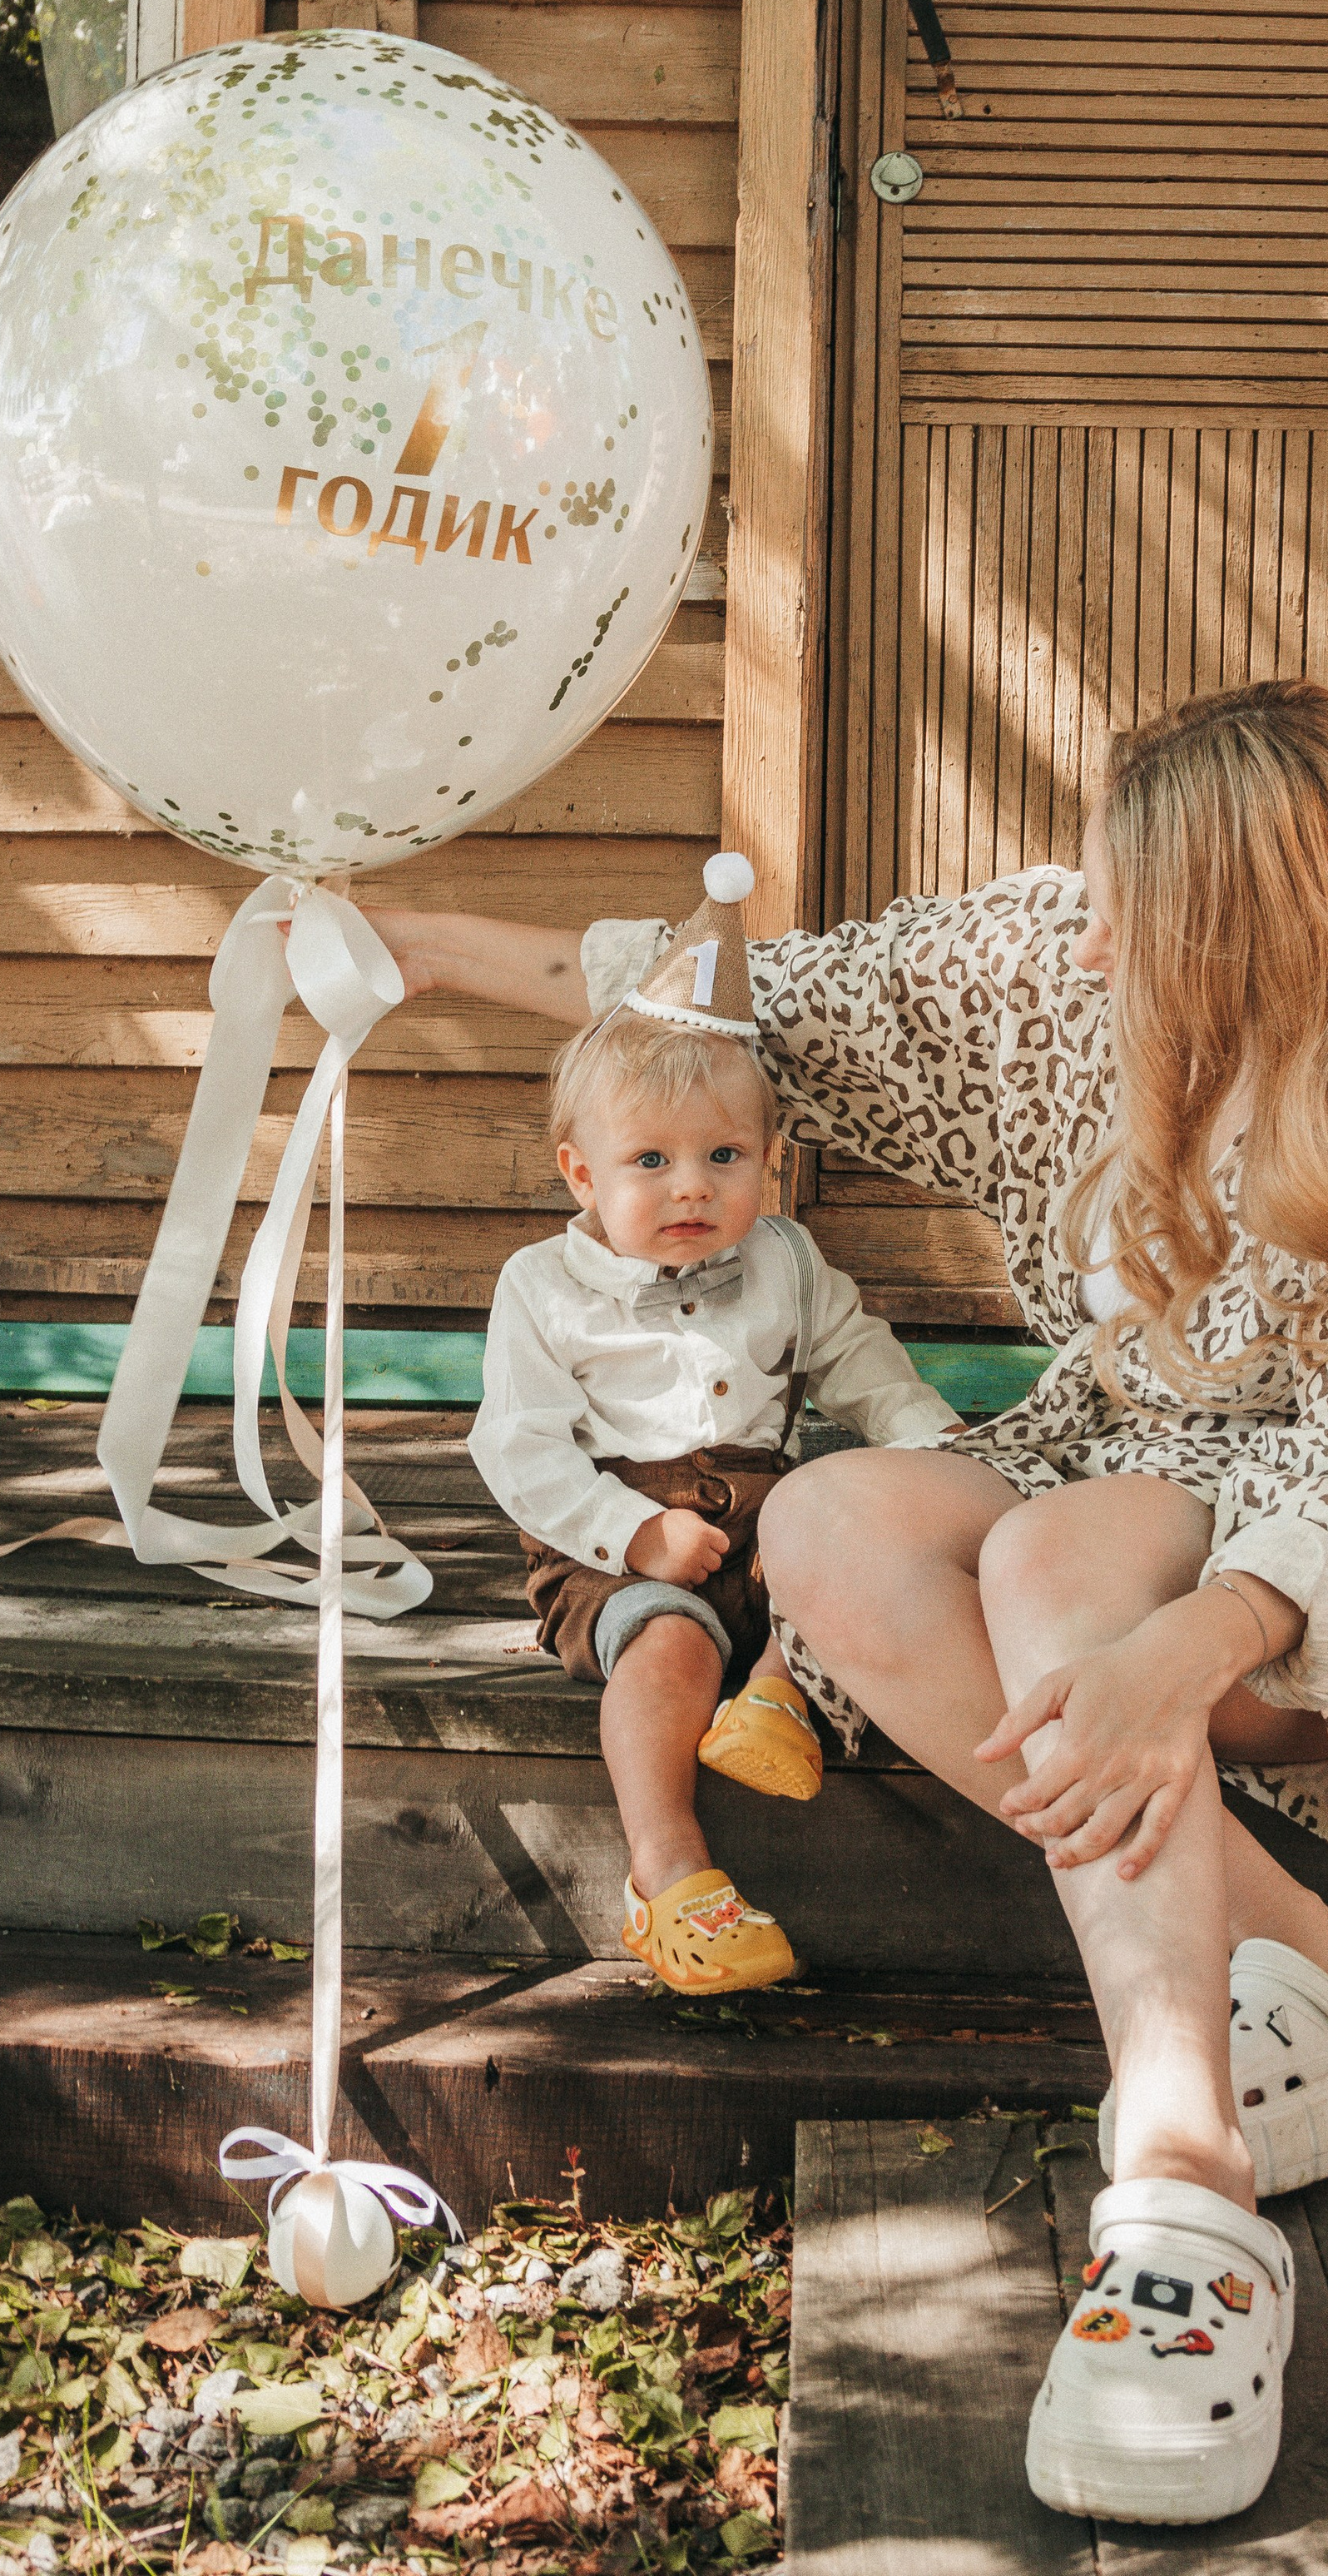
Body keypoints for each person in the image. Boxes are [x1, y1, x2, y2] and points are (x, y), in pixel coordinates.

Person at [372, 684, 1328, 2529]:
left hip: (1314, 1585)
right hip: (1102, 1470)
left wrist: (1184, 1647)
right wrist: (408, 942)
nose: (1080, 934)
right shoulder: (1045, 971)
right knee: (829, 1522)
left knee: (1045, 1564)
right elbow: (718, 1003)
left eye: (1126, 911)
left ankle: (1182, 2172)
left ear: (1244, 933)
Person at [467, 853, 963, 2000]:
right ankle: (672, 1873)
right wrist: (632, 1534)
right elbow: (518, 1447)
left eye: (724, 1157)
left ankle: (781, 1693)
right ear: (581, 1173)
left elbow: (859, 1364)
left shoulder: (785, 1258)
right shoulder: (543, 1287)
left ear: (771, 1162)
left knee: (862, 1560)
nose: (691, 1186)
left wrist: (939, 1453)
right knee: (670, 1644)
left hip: (766, 1518)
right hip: (614, 1539)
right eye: (651, 1161)